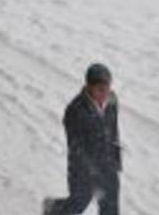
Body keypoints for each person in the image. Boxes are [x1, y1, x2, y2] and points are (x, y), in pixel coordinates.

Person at [43, 63, 122, 215]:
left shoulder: (112, 100)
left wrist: (115, 161)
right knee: (78, 204)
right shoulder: (75, 110)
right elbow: (76, 147)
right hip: (83, 170)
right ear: (88, 87)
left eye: (107, 87)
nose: (105, 93)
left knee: (110, 207)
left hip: (108, 165)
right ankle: (53, 209)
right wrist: (91, 170)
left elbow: (113, 131)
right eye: (100, 89)